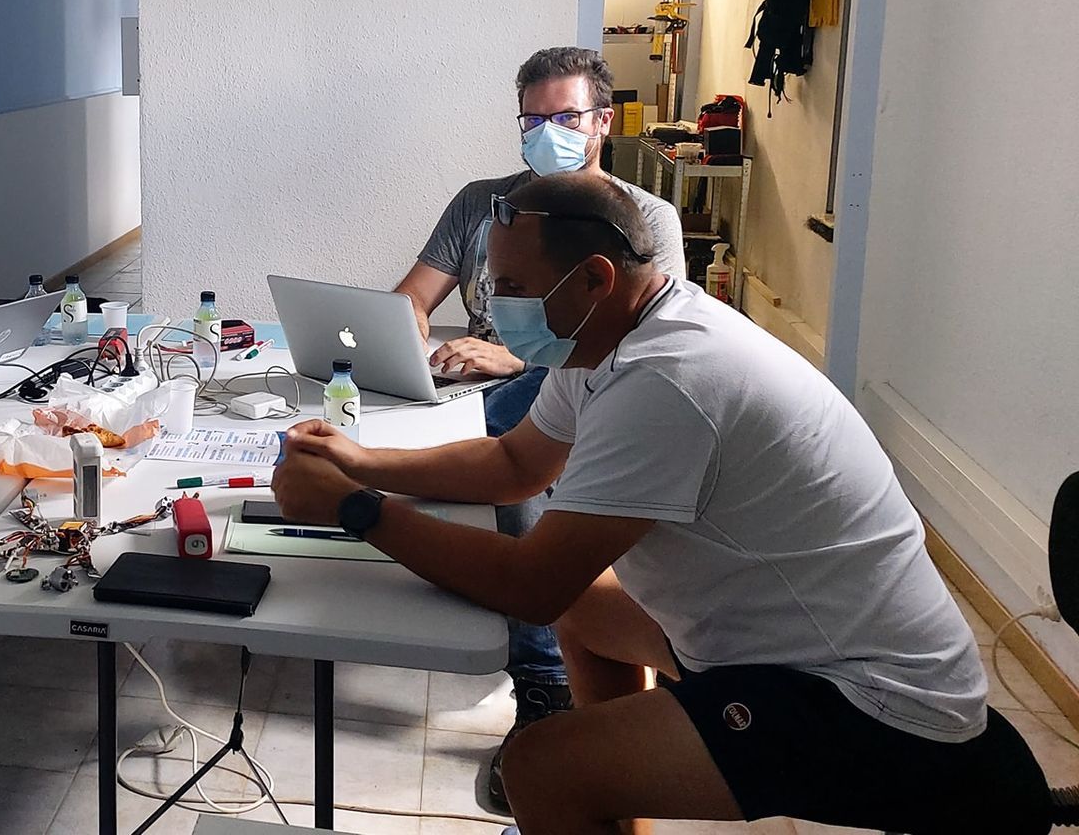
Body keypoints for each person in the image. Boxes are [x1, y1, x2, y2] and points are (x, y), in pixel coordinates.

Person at [274, 174, 1050, 835]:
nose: (498, 306)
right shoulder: (605, 338)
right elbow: (515, 464)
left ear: (595, 278)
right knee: (585, 607)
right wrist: (360, 461)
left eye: (511, 288)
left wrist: (358, 510)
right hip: (772, 641)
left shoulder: (669, 379)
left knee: (541, 766)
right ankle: (613, 808)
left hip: (869, 700)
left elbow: (529, 585)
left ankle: (585, 795)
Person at [388, 46, 685, 810]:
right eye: (532, 120)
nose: (547, 133)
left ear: (603, 122)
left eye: (566, 117)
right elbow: (410, 299)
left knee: (520, 484)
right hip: (476, 384)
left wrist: (516, 355)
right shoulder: (484, 204)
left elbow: (637, 348)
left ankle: (543, 687)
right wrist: (412, 340)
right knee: (382, 429)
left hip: (572, 384)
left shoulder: (642, 221)